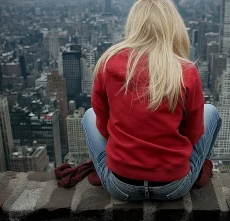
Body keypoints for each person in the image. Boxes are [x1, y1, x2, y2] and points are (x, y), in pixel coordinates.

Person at [81, 0, 222, 201]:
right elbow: (193, 135)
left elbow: (103, 129)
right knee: (211, 112)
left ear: (134, 25)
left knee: (88, 115)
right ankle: (200, 168)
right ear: (172, 27)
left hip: (120, 186)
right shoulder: (185, 71)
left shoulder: (108, 63)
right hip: (174, 186)